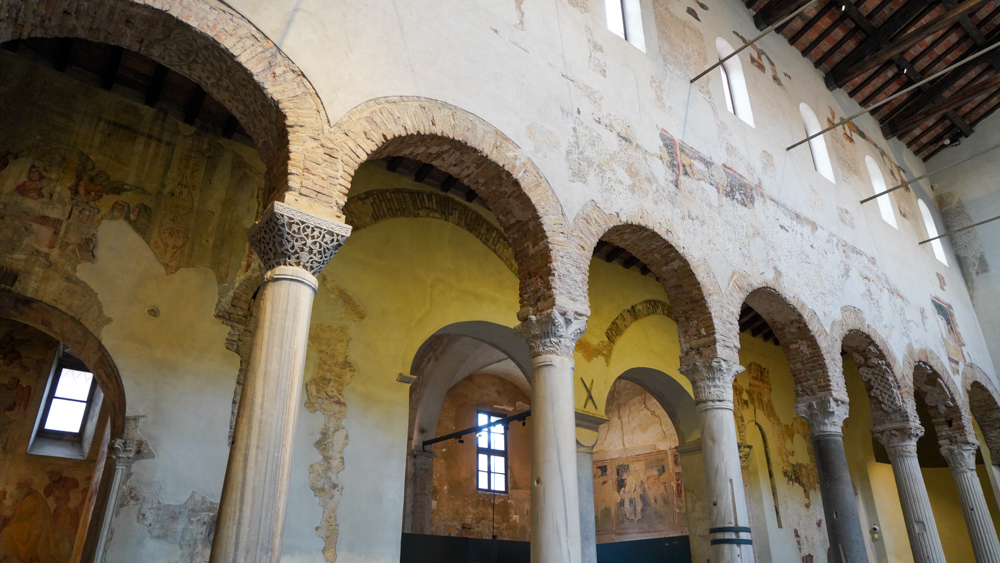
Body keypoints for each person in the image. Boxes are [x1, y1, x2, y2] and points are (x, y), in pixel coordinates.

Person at [0, 479, 51, 562]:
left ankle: (12, 556)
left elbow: (23, 512)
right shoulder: (23, 495)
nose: (19, 487)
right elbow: (18, 509)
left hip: (34, 524)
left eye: (21, 484)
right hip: (25, 521)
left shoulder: (33, 496)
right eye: (18, 484)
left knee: (7, 531)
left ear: (28, 485)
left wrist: (13, 512)